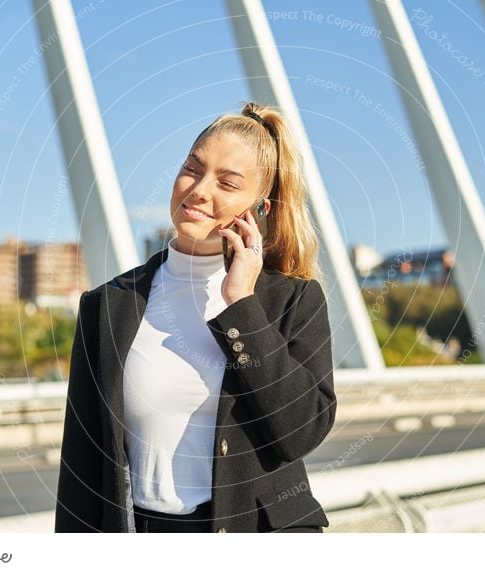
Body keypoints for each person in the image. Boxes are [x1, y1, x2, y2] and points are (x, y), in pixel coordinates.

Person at [54, 101, 336, 533]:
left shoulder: (292, 300)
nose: (200, 190)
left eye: (227, 182)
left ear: (259, 207)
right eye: (193, 168)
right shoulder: (106, 306)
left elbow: (299, 432)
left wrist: (240, 302)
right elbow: (82, 462)